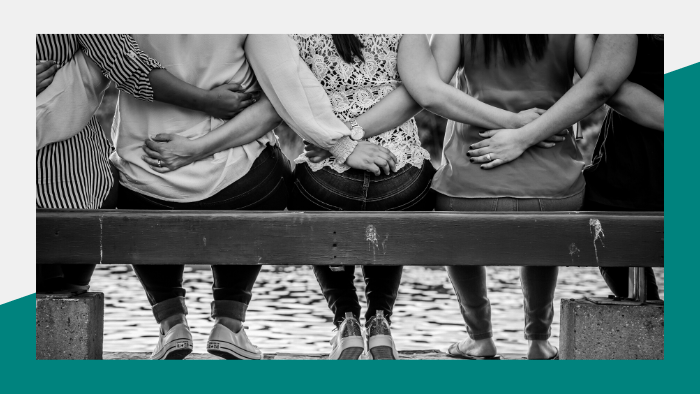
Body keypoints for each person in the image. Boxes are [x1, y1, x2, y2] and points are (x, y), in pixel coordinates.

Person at [114, 34, 399, 361]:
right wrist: (341, 144)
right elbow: (287, 85)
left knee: (129, 181)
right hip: (238, 183)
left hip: (146, 175)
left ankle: (171, 324)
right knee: (276, 171)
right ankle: (229, 324)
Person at [397, 34, 640, 360]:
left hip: (468, 184)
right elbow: (600, 82)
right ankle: (539, 340)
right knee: (542, 231)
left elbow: (431, 89)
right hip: (555, 188)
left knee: (455, 229)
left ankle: (479, 337)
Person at [35, 34, 253, 296]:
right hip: (64, 180)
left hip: (65, 179)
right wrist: (209, 102)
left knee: (59, 303)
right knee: (53, 307)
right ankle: (190, 323)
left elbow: (125, 64)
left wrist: (207, 101)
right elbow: (125, 64)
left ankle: (178, 321)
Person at [582, 35, 664, 300]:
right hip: (633, 167)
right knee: (616, 243)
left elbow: (605, 86)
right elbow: (606, 86)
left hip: (633, 168)